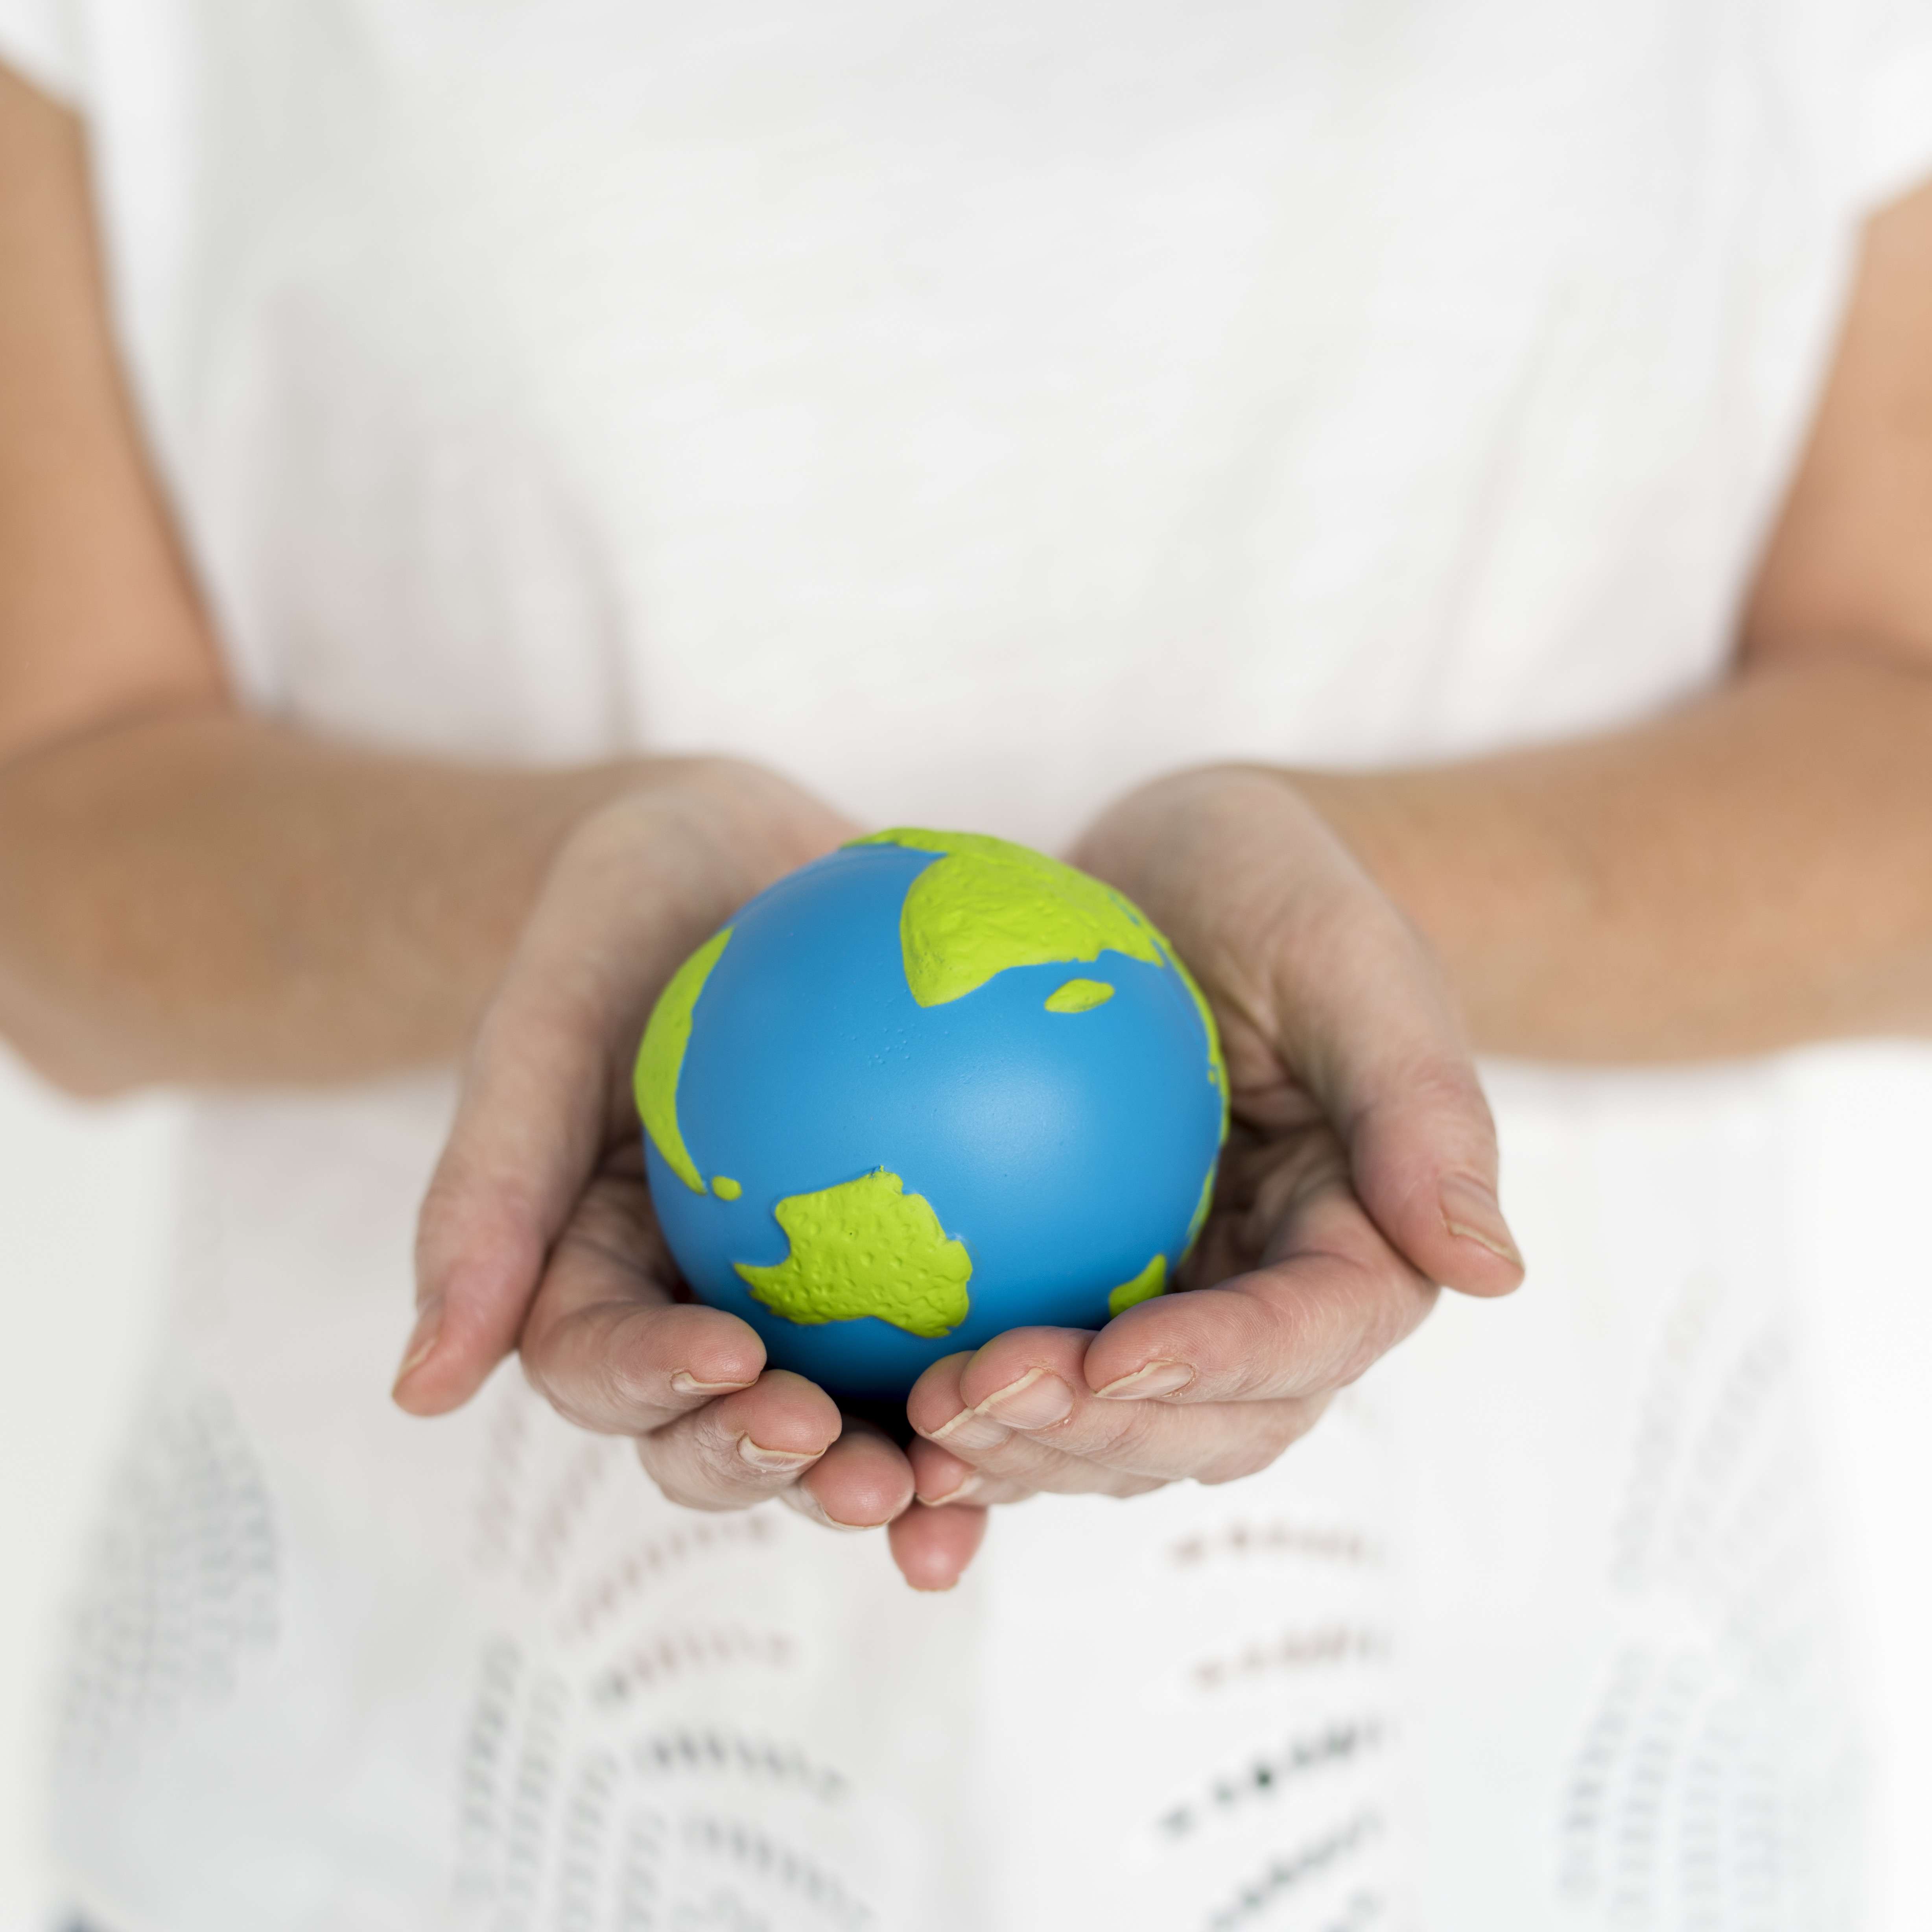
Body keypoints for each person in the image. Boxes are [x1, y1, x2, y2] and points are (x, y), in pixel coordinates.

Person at [1, 1, 1928, 1925]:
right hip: (382, 1803)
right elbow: (46, 841)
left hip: (1507, 1800)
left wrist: (1345, 927)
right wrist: (570, 902)